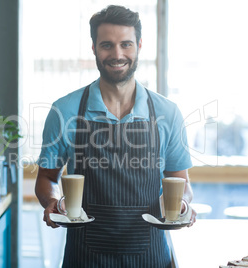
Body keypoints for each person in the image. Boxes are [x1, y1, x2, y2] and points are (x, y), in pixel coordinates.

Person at [35, 5, 196, 268]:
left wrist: (182, 206)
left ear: (140, 46)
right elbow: (46, 178)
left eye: (126, 44)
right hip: (84, 258)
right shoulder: (64, 111)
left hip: (151, 256)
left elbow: (181, 183)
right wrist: (52, 202)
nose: (117, 54)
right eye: (107, 45)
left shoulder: (168, 112)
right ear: (94, 48)